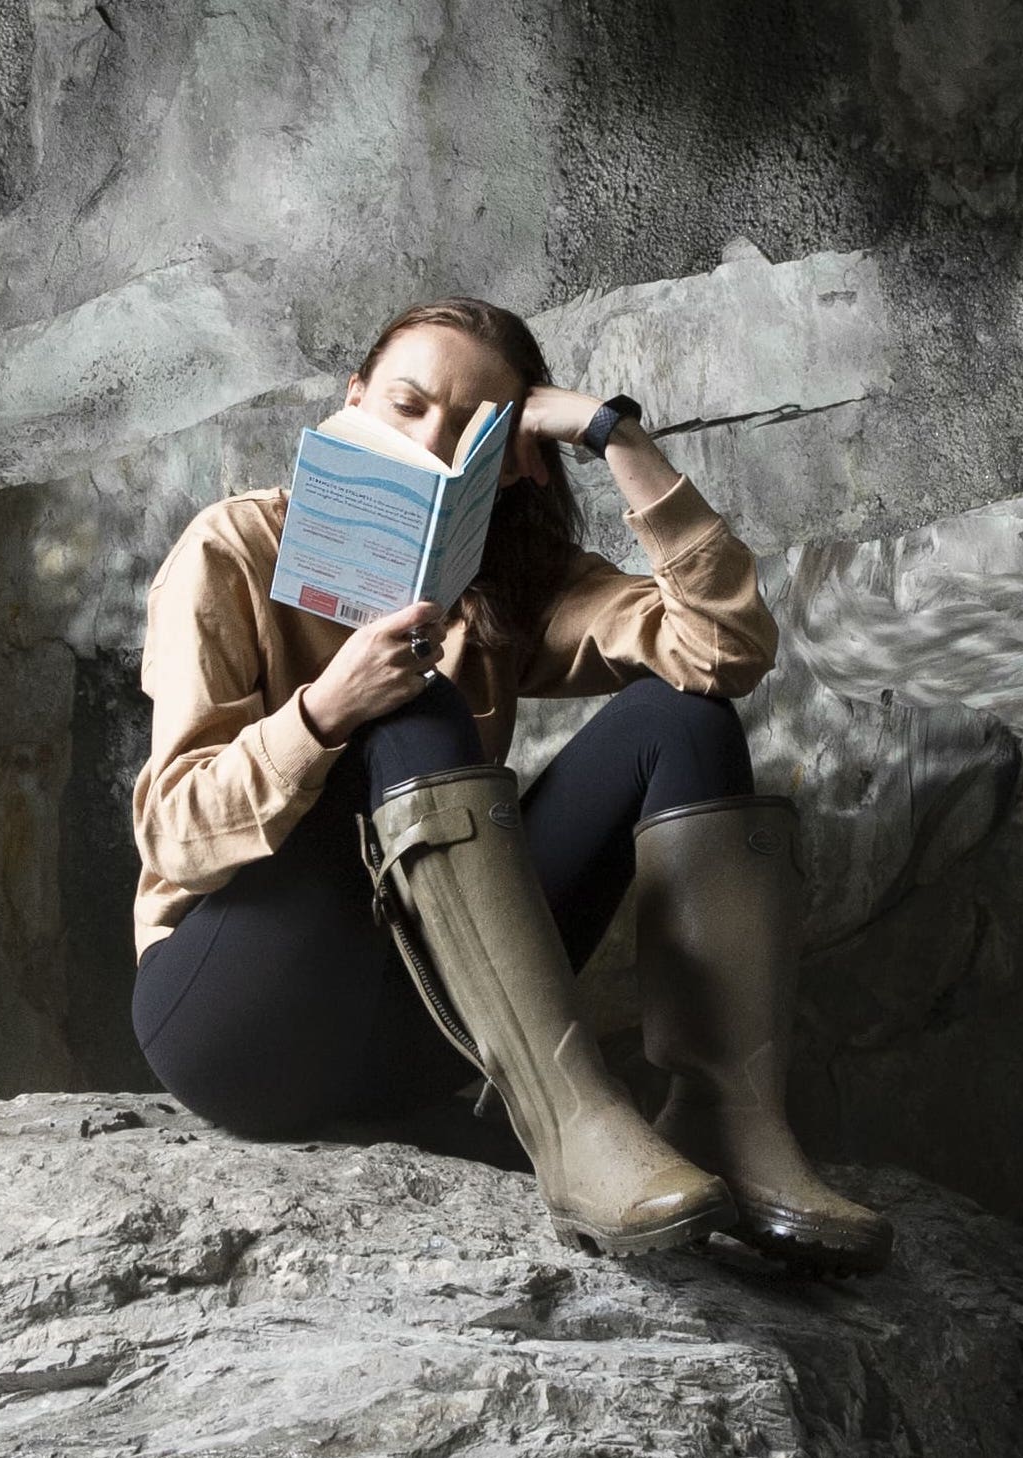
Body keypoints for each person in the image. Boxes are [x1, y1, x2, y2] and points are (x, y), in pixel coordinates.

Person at [130, 297, 892, 1274]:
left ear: (508, 464)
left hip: (425, 1034)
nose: (428, 444)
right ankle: (572, 1125)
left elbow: (722, 649)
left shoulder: (503, 587)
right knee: (415, 710)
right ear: (352, 402)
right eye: (405, 406)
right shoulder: (230, 550)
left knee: (681, 714)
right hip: (239, 1020)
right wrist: (325, 711)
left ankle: (724, 1116)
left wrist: (611, 434)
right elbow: (174, 837)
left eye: (468, 436)